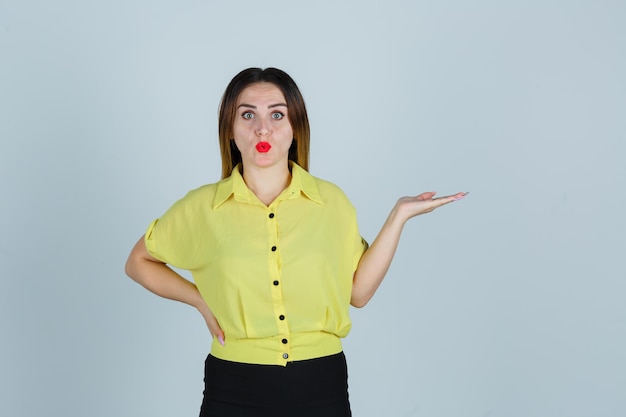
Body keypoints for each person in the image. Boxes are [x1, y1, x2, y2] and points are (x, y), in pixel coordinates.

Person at [125, 67, 467, 417]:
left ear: (295, 128)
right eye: (247, 115)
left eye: (277, 114)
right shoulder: (202, 208)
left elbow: (358, 293)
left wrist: (398, 217)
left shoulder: (330, 202)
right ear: (230, 128)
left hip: (321, 386)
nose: (263, 128)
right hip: (233, 388)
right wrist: (200, 300)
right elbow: (138, 261)